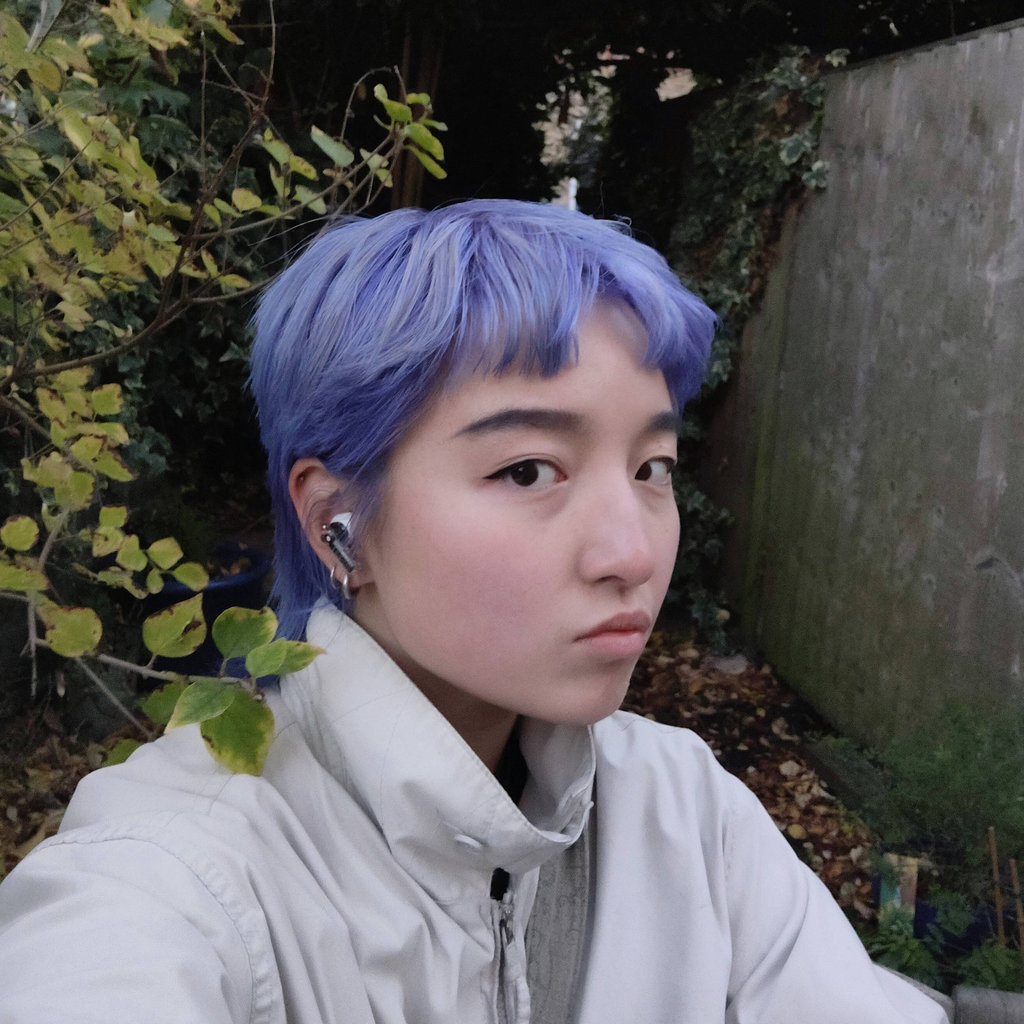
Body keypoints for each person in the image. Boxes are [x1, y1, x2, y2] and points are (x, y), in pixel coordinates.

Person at [0, 200, 944, 1023]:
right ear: (339, 525)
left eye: (652, 468)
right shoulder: (177, 880)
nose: (633, 553)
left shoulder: (687, 815)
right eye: (528, 470)